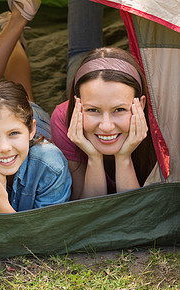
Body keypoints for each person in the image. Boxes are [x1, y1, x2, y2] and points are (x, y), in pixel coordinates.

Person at [0, 0, 72, 213]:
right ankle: (14, 28)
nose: (5, 147)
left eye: (14, 134)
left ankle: (14, 28)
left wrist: (2, 207)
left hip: (25, 115)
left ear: (31, 129)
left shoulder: (50, 164)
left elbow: (48, 237)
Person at [50, 47, 157, 200]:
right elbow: (88, 210)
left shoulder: (161, 123)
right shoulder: (63, 119)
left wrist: (123, 158)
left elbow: (134, 213)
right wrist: (94, 158)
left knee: (78, 56)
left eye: (119, 109)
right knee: (76, 55)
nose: (106, 126)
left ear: (140, 105)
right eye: (93, 110)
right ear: (77, 105)